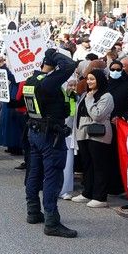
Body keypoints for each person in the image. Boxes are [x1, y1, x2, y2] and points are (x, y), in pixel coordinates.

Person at [23, 49, 77, 237]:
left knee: (34, 174)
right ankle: (52, 222)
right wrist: (53, 53)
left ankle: (32, 212)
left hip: (35, 131)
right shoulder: (48, 82)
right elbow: (70, 65)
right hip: (50, 135)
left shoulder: (31, 81)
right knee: (52, 177)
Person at [72, 69, 116, 208]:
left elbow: (98, 115)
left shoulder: (106, 96)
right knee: (87, 165)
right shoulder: (86, 94)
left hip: (99, 134)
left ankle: (100, 196)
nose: (90, 82)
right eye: (88, 79)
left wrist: (90, 100)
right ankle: (88, 193)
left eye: (93, 79)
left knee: (99, 165)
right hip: (83, 132)